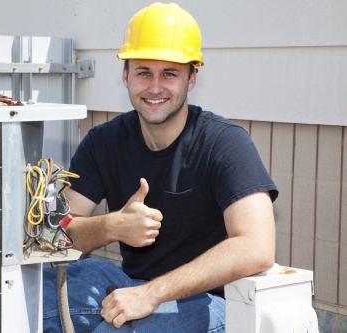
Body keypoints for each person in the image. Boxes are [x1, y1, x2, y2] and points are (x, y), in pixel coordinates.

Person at [43, 3, 278, 332]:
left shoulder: (225, 143)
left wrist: (152, 294)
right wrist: (112, 226)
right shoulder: (104, 142)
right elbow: (53, 234)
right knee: (33, 295)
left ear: (191, 78)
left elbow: (257, 246)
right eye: (143, 72)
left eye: (169, 73)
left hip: (210, 301)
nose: (155, 87)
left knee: (115, 330)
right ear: (125, 76)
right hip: (131, 283)